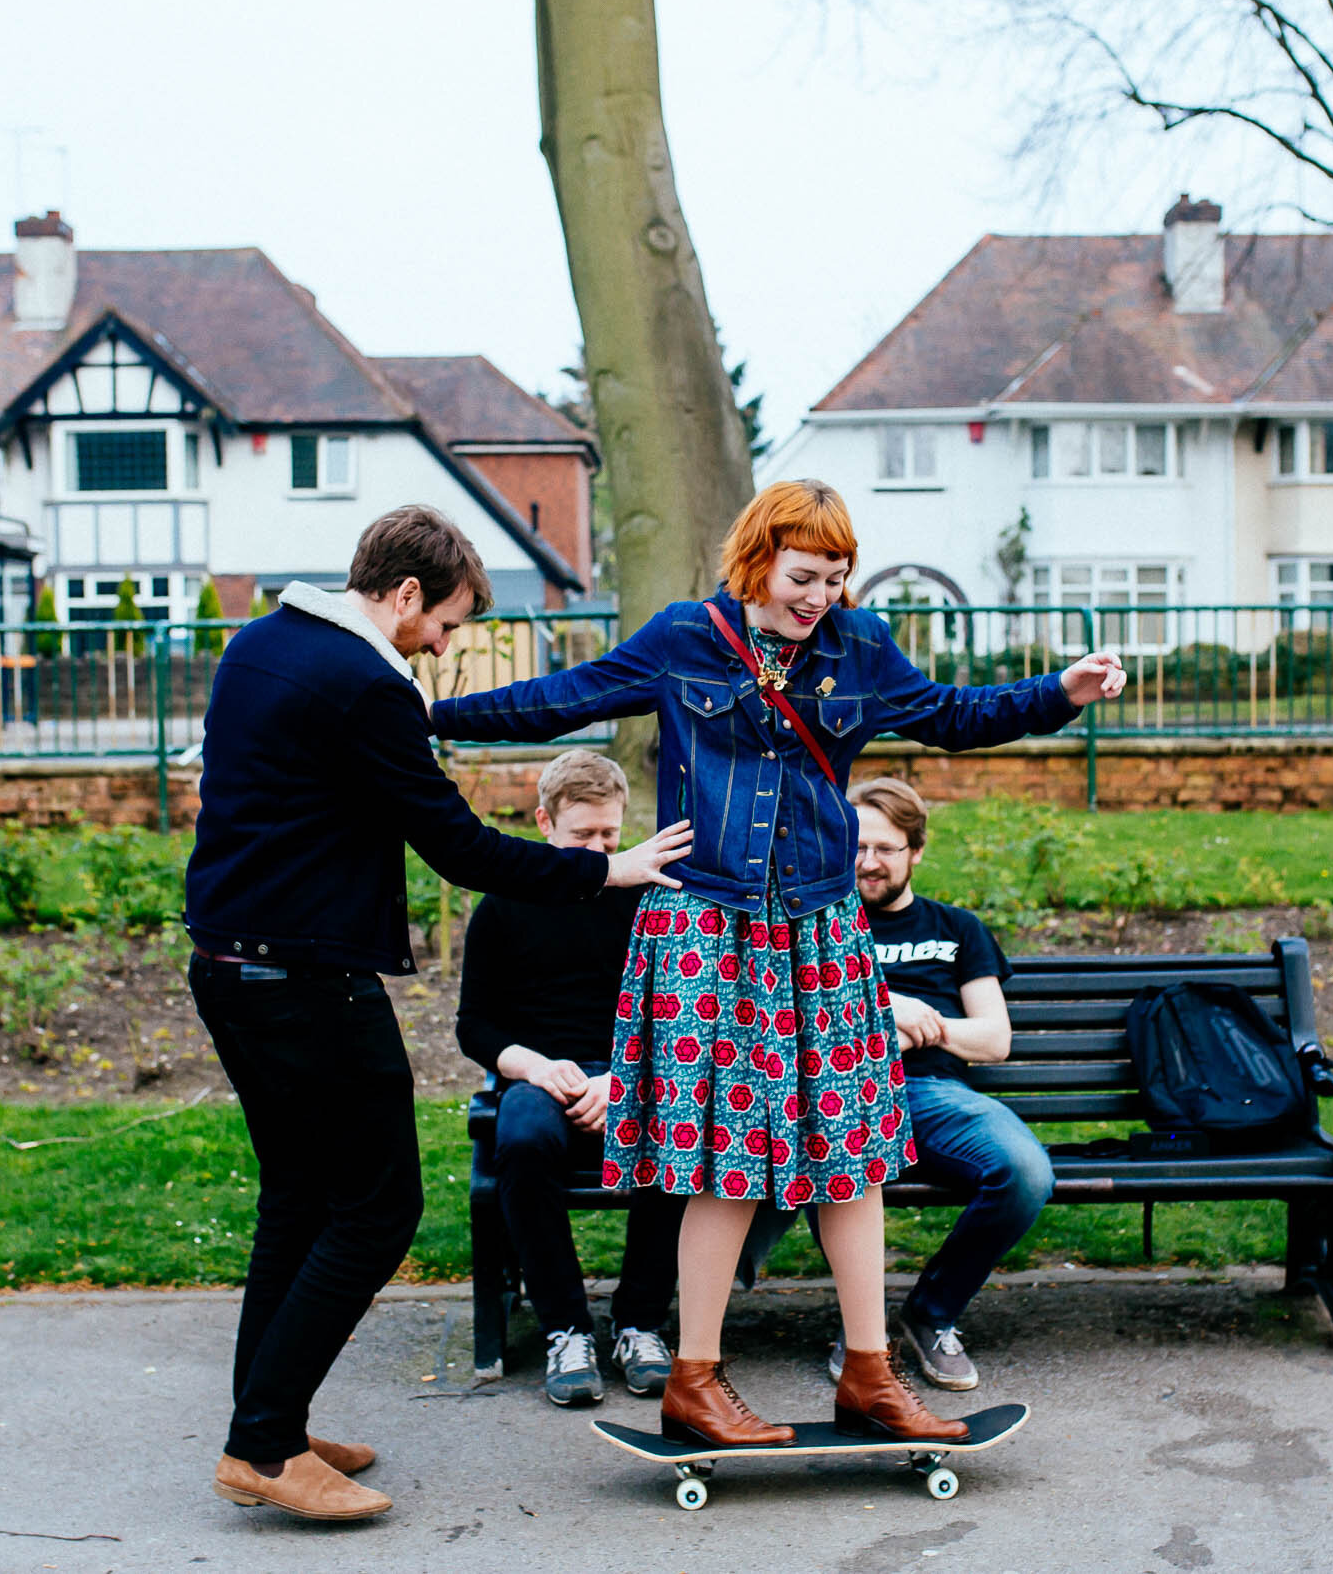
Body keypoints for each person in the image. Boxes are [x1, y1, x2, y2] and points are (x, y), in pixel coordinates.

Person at [431, 479, 1125, 1449]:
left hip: (819, 929)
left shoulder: (857, 645)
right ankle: (695, 1379)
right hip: (708, 931)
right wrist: (427, 717)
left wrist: (1058, 694)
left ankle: (872, 1373)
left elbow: (949, 712)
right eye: (803, 575)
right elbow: (560, 698)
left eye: (835, 578)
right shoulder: (686, 638)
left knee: (852, 1152)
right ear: (757, 558)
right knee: (722, 1157)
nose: (818, 597)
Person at [182, 506, 691, 1523]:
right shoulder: (366, 683)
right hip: (311, 978)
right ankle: (263, 1441)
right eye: (447, 622)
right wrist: (607, 866)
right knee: (376, 1209)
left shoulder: (261, 644)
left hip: (229, 964)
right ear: (406, 593)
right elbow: (460, 846)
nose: (444, 642)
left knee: (297, 1199)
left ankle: (266, 1417)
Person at [456, 750, 685, 1407]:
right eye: (582, 835)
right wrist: (532, 1065)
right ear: (544, 822)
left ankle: (640, 1321)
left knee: (674, 1127)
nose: (598, 849)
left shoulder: (648, 898)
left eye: (610, 835)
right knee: (522, 1139)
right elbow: (476, 1025)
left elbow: (676, 1012)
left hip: (633, 1072)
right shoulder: (504, 905)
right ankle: (566, 1328)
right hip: (539, 1075)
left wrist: (622, 1078)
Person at [832, 776, 1053, 1392]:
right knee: (836, 1151)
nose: (868, 863)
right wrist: (888, 1018)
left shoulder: (957, 929)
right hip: (839, 1094)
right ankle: (862, 1338)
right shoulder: (820, 929)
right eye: (856, 847)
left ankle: (930, 1313)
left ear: (917, 851)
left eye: (886, 849)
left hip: (936, 1097)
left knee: (1026, 1173)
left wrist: (919, 1030)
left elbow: (994, 1041)